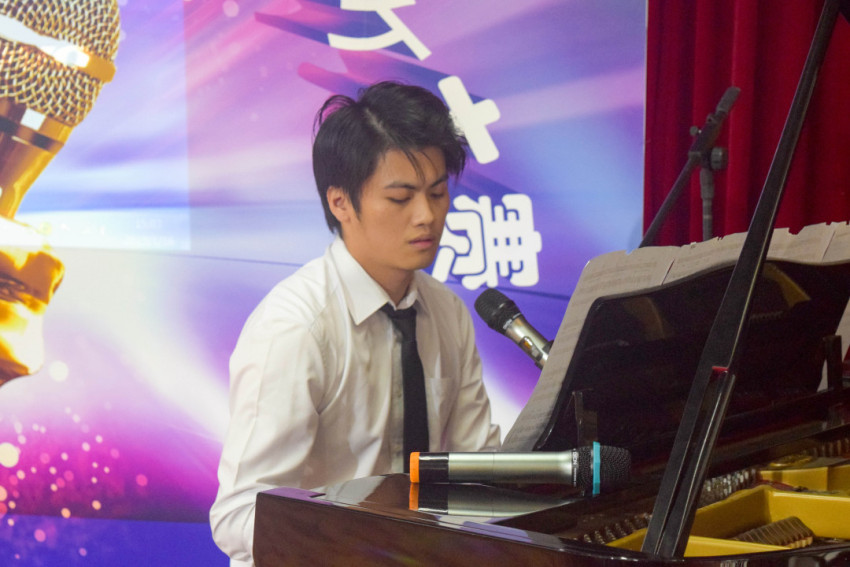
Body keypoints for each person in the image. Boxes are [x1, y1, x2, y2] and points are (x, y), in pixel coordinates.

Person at [210, 81, 501, 565]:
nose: (427, 216)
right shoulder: (297, 327)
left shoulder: (446, 313)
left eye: (437, 193)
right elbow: (241, 514)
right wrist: (366, 545)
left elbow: (478, 470)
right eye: (401, 198)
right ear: (340, 202)